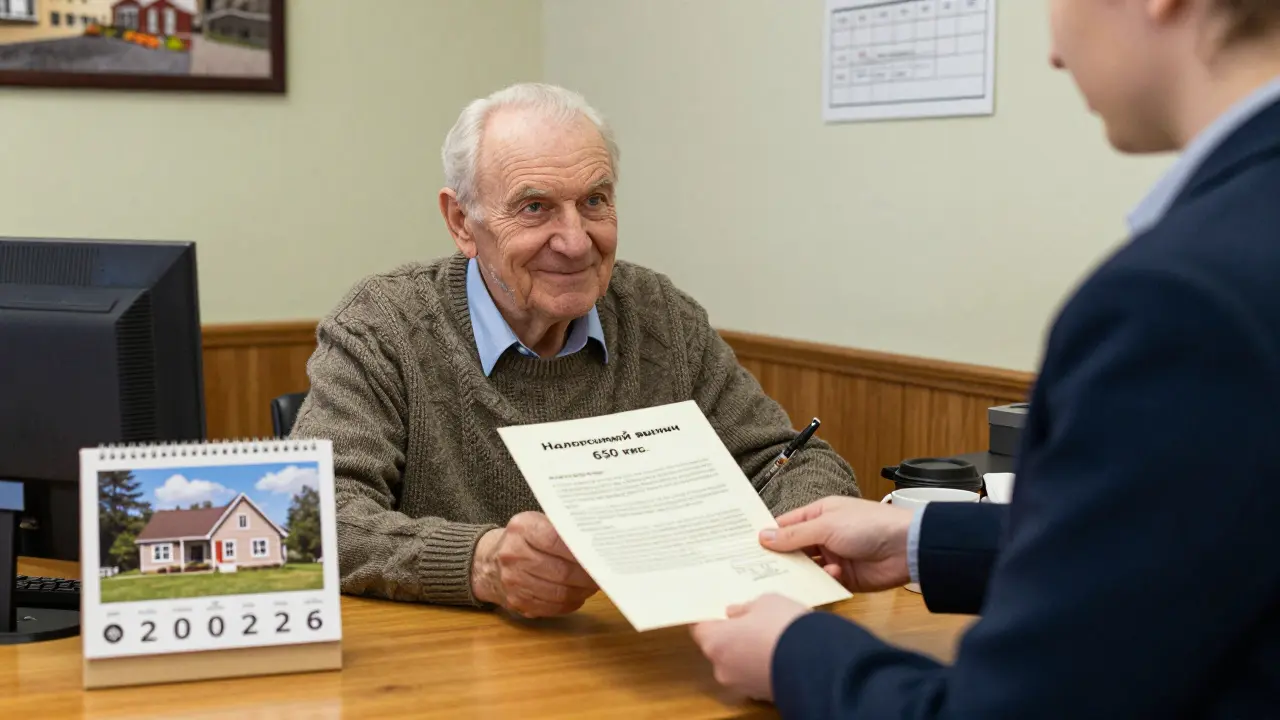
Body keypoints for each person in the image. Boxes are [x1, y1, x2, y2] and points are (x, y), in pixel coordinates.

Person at [690, 0, 1280, 716]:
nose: (1054, 55)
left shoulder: (1179, 296)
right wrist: (920, 538)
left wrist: (793, 656)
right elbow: (1190, 541)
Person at [290, 83, 860, 619]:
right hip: (453, 668)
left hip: (648, 654)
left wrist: (803, 529)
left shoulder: (658, 313)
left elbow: (791, 459)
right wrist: (481, 563)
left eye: (594, 200)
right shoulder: (383, 325)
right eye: (534, 207)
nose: (574, 240)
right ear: (462, 222)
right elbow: (314, 519)